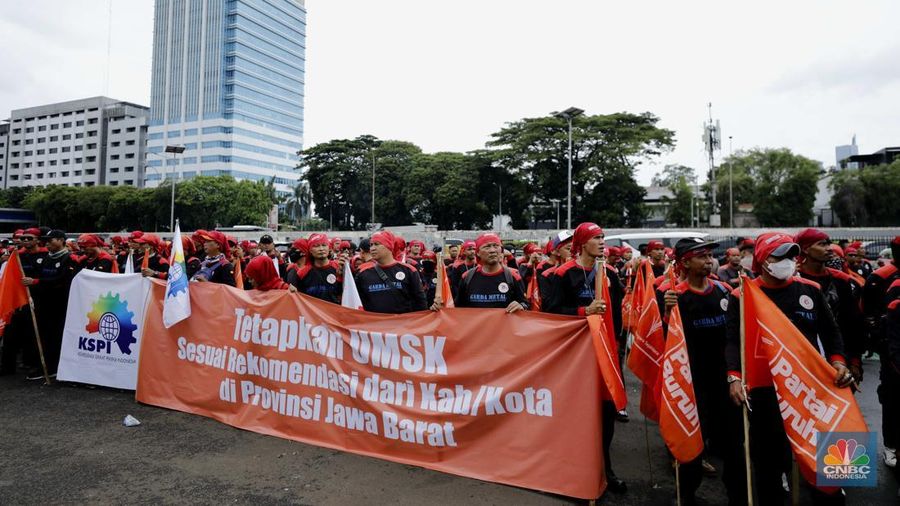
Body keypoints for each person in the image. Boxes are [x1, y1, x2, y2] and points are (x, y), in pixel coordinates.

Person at [726, 232, 851, 504]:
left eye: (791, 255)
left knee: (831, 462)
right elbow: (732, 342)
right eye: (778, 256)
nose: (787, 261)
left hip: (811, 387)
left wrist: (839, 363)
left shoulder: (810, 290)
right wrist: (734, 378)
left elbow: (832, 335)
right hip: (764, 389)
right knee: (768, 463)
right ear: (762, 260)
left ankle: (834, 489)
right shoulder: (742, 295)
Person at [660, 238, 746, 504]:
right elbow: (668, 345)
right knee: (692, 451)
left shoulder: (725, 291)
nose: (709, 260)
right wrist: (667, 312)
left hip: (726, 385)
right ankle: (685, 496)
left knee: (735, 448)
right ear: (685, 262)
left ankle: (738, 496)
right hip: (693, 388)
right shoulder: (677, 297)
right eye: (701, 256)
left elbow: (737, 336)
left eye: (710, 255)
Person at [544, 222, 626, 493]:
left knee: (606, 413)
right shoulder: (563, 274)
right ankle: (570, 470)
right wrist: (584, 311)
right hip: (575, 357)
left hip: (605, 353)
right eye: (596, 238)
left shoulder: (611, 274)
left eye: (603, 237)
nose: (602, 242)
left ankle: (606, 468)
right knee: (575, 414)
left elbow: (616, 315)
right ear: (581, 243)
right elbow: (552, 313)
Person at [795, 229, 865, 380]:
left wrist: (854, 361)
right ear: (806, 249)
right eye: (822, 244)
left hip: (839, 356)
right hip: (803, 358)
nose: (829, 248)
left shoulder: (842, 280)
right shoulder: (793, 280)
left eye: (828, 244)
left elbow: (853, 323)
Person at [864, 236, 900, 469]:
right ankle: (891, 446)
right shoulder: (881, 278)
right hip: (891, 350)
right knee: (892, 399)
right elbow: (866, 310)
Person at [28, 230, 77, 379]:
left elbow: (63, 281)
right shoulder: (46, 258)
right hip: (43, 303)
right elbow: (39, 277)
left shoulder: (70, 259)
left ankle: (54, 366)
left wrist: (38, 282)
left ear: (62, 240)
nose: (47, 243)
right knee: (43, 334)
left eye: (51, 240)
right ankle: (43, 365)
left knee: (55, 335)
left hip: (60, 304)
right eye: (46, 240)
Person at [450, 233, 528, 312]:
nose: (492, 250)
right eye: (487, 247)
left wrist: (521, 305)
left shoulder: (514, 276)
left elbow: (525, 303)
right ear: (478, 253)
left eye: (496, 246)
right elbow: (458, 308)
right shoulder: (467, 277)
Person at [355, 231, 426, 314]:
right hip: (374, 325)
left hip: (402, 325)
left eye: (377, 244)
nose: (372, 248)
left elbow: (421, 304)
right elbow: (354, 302)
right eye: (371, 245)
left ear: (388, 246)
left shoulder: (409, 271)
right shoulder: (363, 274)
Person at [289, 233, 343, 304]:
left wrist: (340, 277)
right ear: (310, 250)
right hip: (312, 314)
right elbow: (298, 299)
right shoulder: (302, 273)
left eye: (324, 245)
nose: (321, 249)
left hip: (336, 313)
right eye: (316, 246)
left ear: (329, 248)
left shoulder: (339, 267)